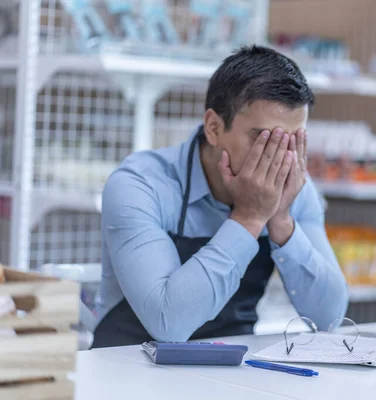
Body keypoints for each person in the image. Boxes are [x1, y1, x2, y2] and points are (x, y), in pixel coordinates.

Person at [91, 45, 350, 348]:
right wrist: (249, 218)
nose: (281, 156)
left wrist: (281, 221)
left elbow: (330, 318)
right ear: (214, 127)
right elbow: (168, 323)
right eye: (264, 138)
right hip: (125, 371)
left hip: (231, 374)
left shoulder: (296, 190)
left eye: (293, 140)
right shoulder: (141, 184)